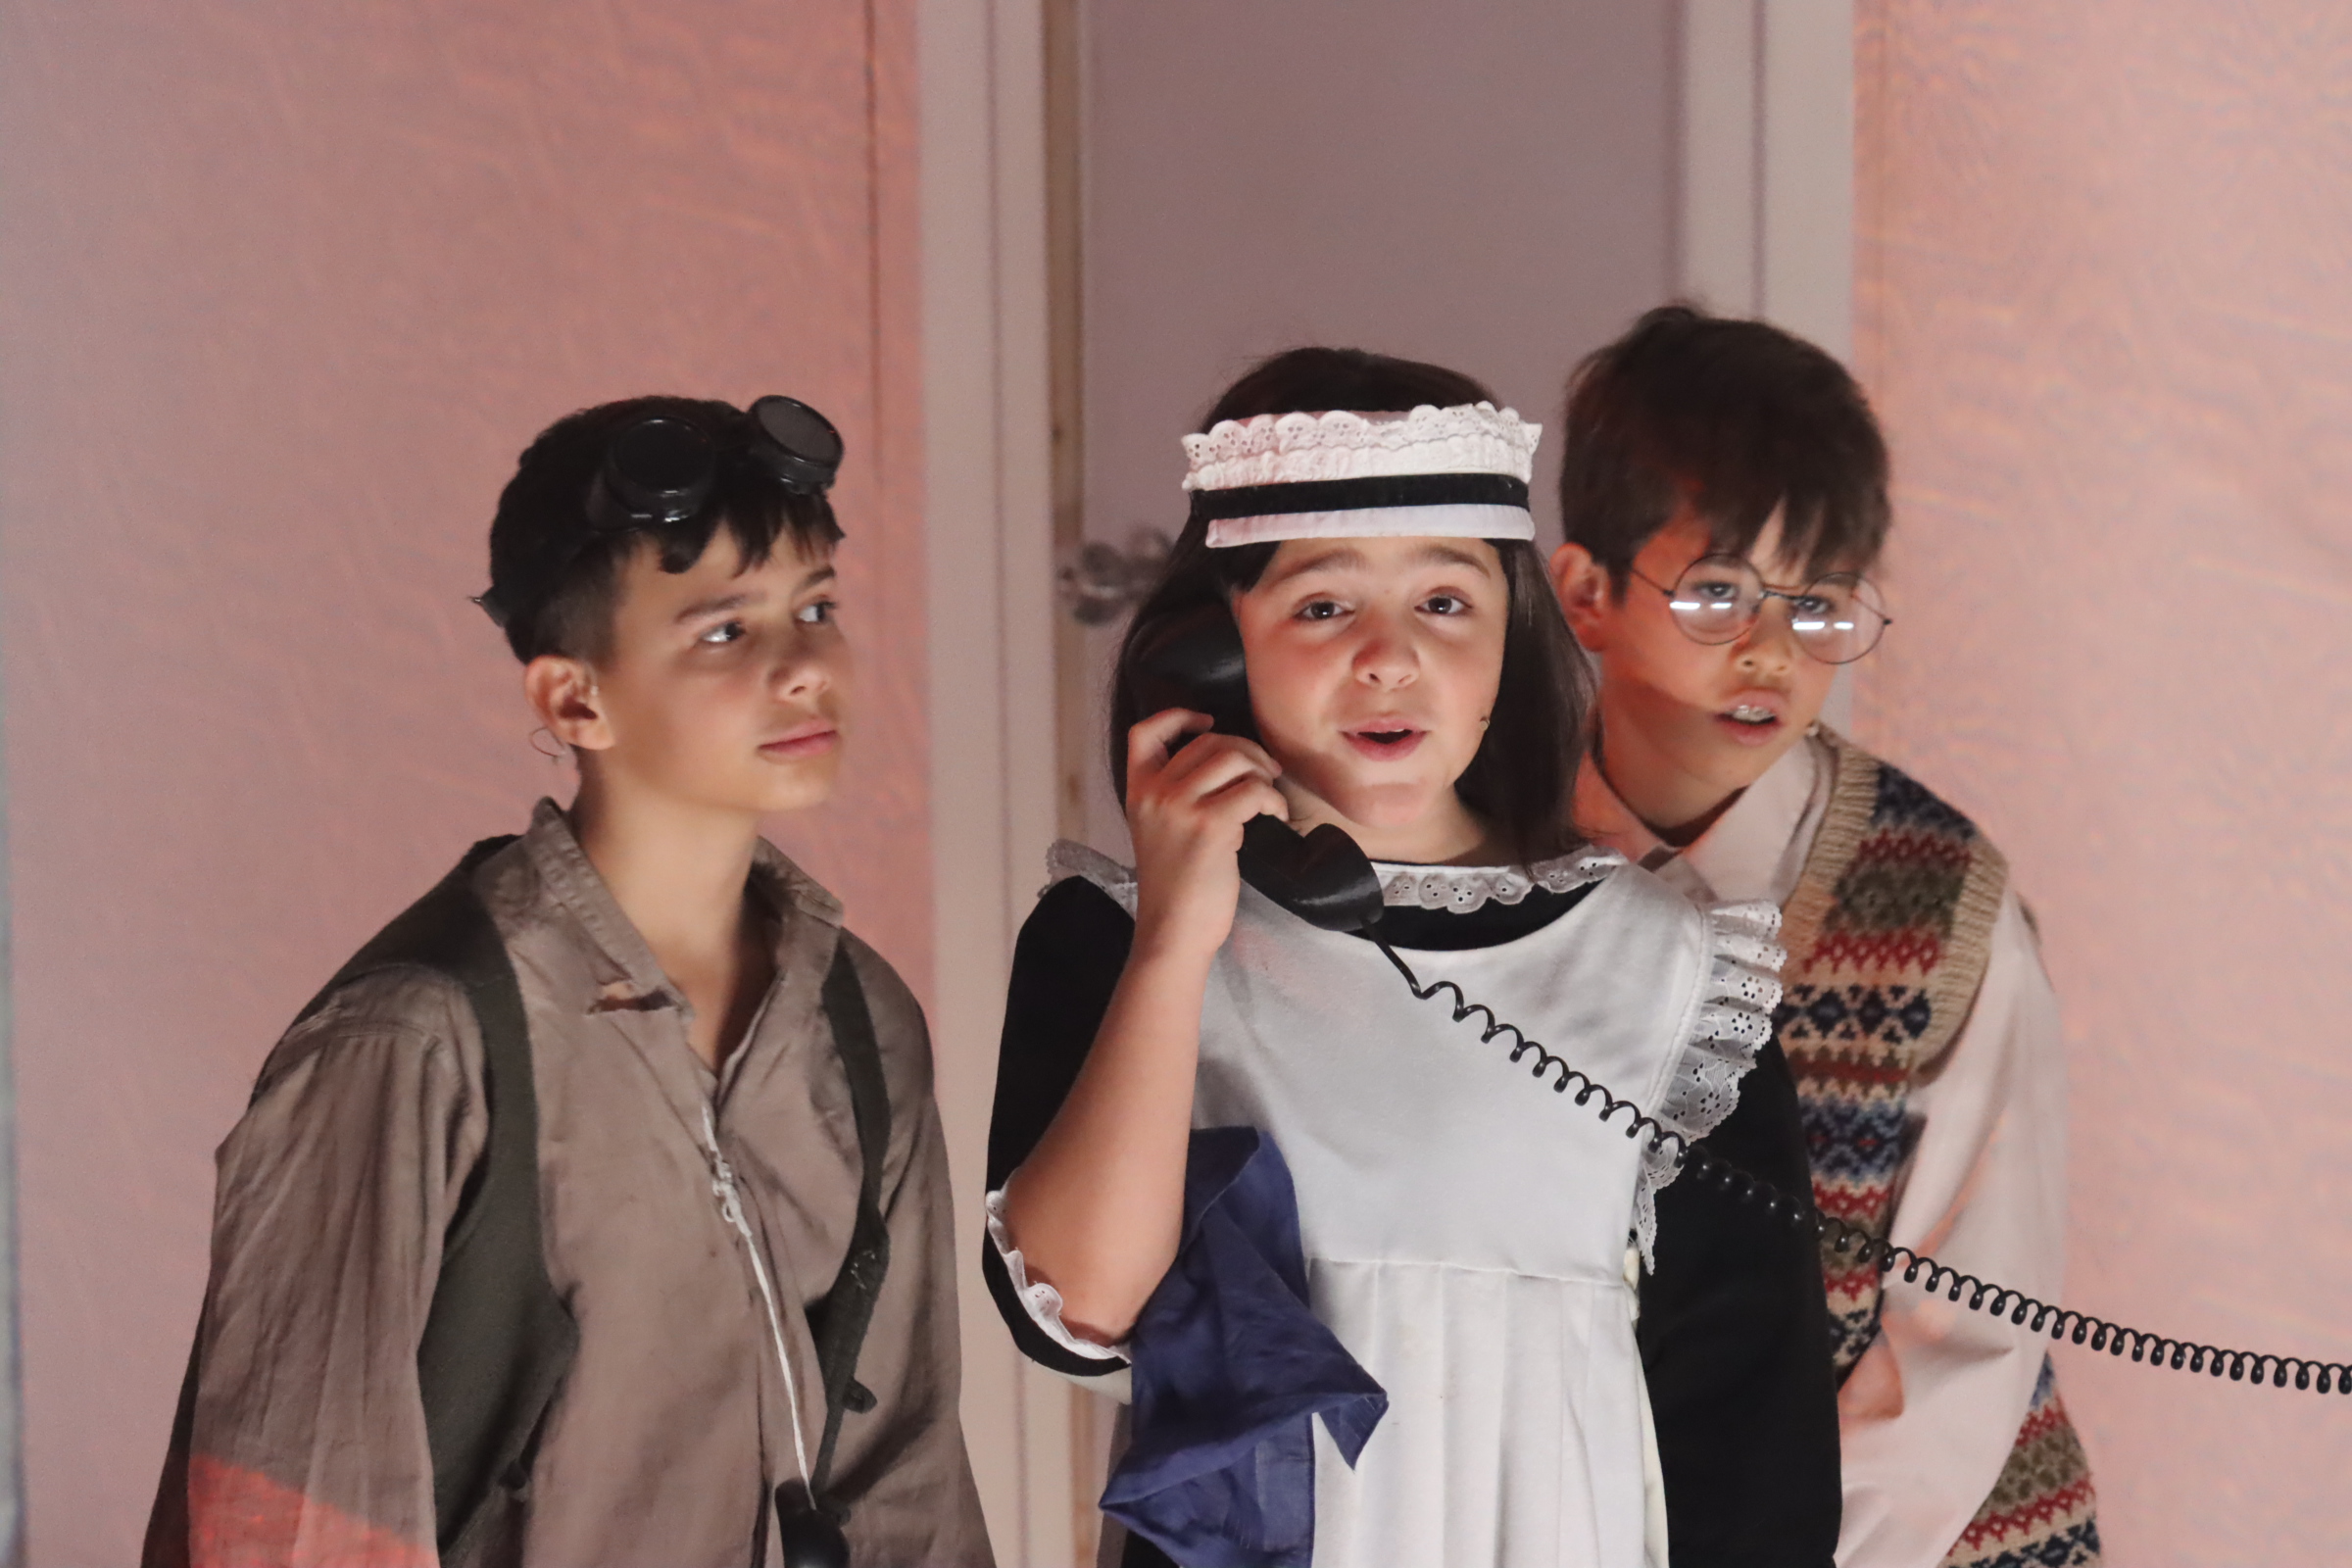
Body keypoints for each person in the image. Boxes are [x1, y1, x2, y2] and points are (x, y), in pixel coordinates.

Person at [982, 347, 1839, 1568]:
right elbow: (1076, 1314)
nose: (1389, 657)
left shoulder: (1672, 977)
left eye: (1443, 602)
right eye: (1322, 605)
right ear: (1211, 646)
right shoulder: (1113, 941)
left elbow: (1755, 1438)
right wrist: (1177, 934)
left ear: (1511, 634)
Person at [143, 395, 992, 1568]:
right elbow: (294, 1514)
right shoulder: (419, 1038)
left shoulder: (858, 1018)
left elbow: (908, 1475)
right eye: (724, 632)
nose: (804, 669)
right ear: (573, 699)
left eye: (816, 609)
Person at [1550, 305, 2100, 1568]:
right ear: (1586, 593)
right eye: (1718, 594)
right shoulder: (1486, 861)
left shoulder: (1939, 910)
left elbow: (1962, 1345)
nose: (1769, 653)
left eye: (1818, 605)